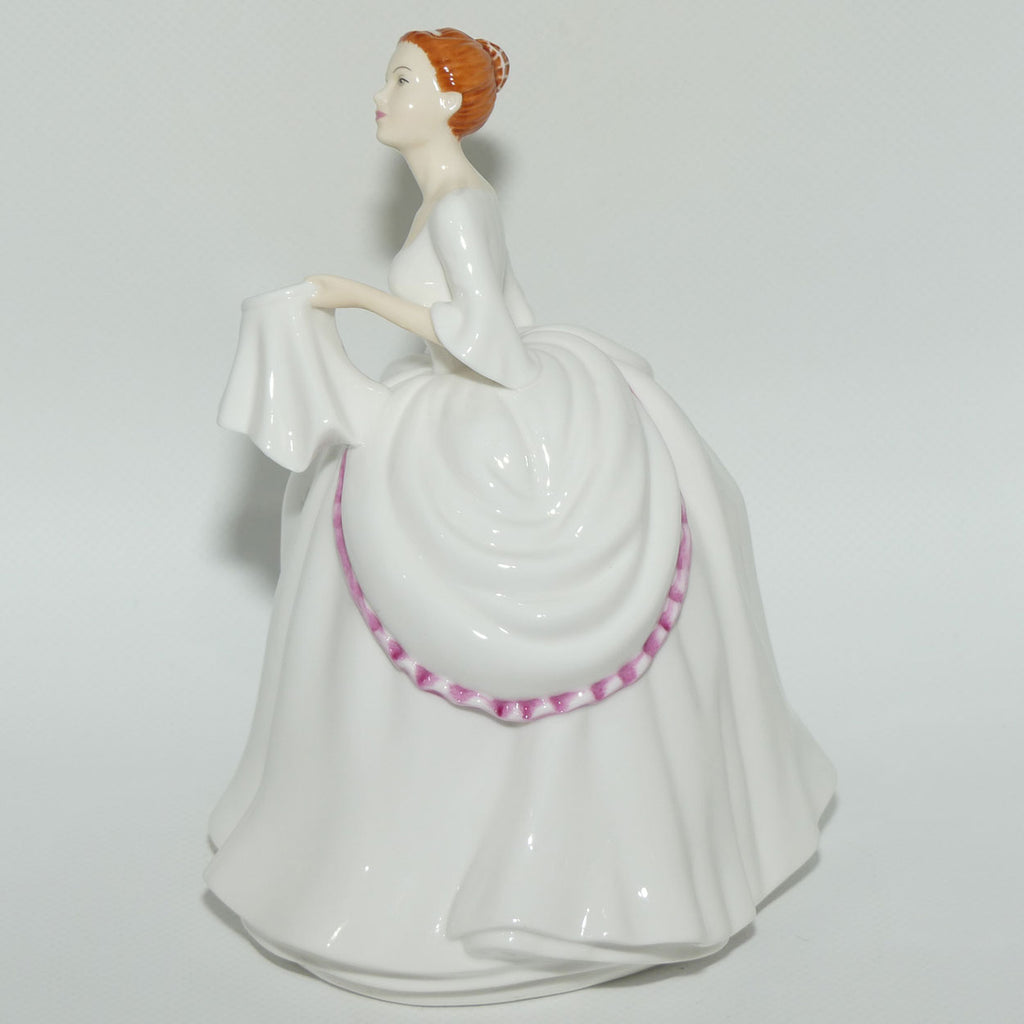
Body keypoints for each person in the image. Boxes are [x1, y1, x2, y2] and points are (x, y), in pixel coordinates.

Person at [206, 28, 836, 1005]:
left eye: (403, 79)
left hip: (489, 403)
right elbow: (516, 309)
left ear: (448, 103)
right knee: (343, 511)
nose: (382, 94)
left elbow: (492, 345)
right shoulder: (451, 200)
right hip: (484, 406)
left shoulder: (462, 205)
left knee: (434, 568)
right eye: (387, 76)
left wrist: (353, 296)